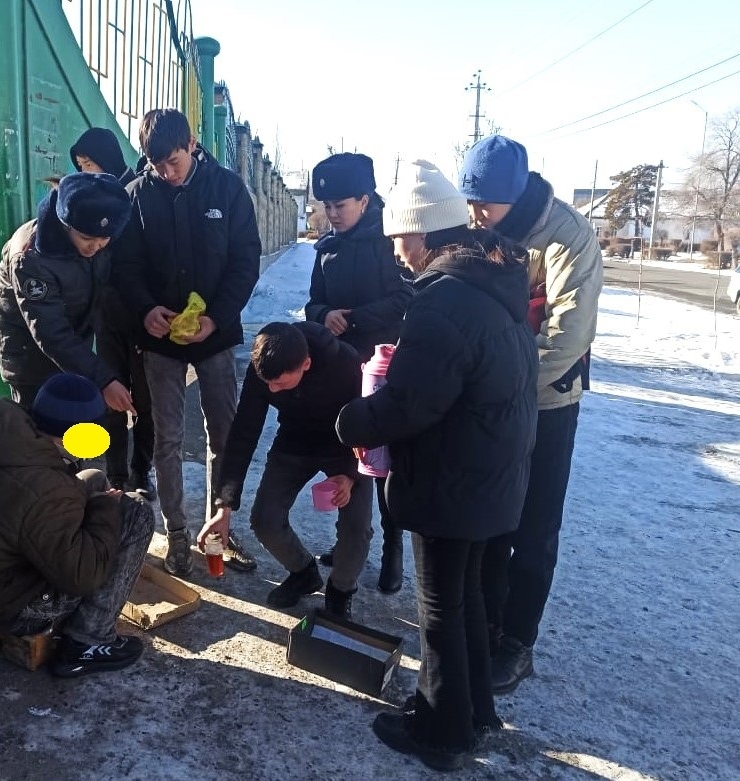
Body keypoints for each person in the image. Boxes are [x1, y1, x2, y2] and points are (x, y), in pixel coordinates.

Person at [336, 160, 538, 771]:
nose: (396, 253)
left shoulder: (443, 300)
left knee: (443, 608)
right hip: (492, 474)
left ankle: (442, 728)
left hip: (454, 478)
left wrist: (353, 421)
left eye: (398, 239)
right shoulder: (490, 284)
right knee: (469, 598)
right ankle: (473, 709)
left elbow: (412, 403)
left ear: (422, 234)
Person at [458, 135, 604, 694]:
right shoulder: (485, 229)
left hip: (547, 403)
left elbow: (567, 337)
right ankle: (487, 624)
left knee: (535, 526)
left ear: (514, 198)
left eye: (485, 204)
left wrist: (498, 382)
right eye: (470, 203)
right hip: (494, 399)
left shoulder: (567, 236)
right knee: (493, 517)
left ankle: (517, 643)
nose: (476, 216)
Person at [115, 108, 261, 576]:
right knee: (167, 436)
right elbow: (125, 266)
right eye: (157, 165)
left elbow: (245, 261)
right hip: (158, 336)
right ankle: (176, 532)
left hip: (214, 335)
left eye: (173, 161)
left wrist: (216, 319)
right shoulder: (136, 196)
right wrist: (145, 310)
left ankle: (220, 525)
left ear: (192, 143)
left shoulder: (228, 189)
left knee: (224, 431)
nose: (166, 172)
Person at [0, 373, 155, 678]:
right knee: (137, 513)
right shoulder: (45, 489)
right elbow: (83, 576)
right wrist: (105, 509)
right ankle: (88, 642)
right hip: (7, 609)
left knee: (94, 479)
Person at [198, 321, 371, 618]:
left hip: (346, 446)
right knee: (265, 520)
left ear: (306, 364)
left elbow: (371, 424)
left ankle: (341, 591)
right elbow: (244, 431)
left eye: (280, 384)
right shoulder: (264, 367)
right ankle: (303, 572)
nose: (272, 390)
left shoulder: (346, 363)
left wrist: (352, 476)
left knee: (357, 529)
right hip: (295, 440)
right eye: (269, 384)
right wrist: (223, 506)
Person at [305, 152, 412, 594]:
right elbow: (312, 301)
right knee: (341, 456)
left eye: (340, 205)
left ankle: (392, 549)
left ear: (364, 200)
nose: (332, 214)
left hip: (382, 371)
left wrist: (355, 319)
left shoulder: (391, 240)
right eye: (325, 206)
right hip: (338, 368)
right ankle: (350, 540)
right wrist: (325, 314)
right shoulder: (328, 246)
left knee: (381, 464)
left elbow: (407, 296)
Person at [0, 171, 136, 418]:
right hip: (32, 365)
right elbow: (50, 332)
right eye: (87, 238)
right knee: (39, 438)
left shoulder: (98, 238)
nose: (97, 246)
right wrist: (103, 380)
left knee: (75, 434)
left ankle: (75, 458)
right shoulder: (30, 257)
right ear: (65, 223)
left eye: (105, 239)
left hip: (74, 355)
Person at [69, 128, 155, 497]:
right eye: (81, 167)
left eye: (88, 164)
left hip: (140, 316)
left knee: (145, 401)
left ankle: (141, 471)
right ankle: (117, 473)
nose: (85, 172)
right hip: (105, 317)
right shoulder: (87, 196)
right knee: (110, 397)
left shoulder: (135, 193)